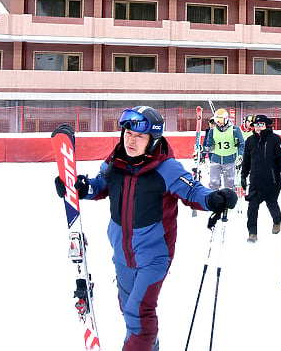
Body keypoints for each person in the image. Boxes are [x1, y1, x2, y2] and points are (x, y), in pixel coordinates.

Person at [53, 106, 236, 351]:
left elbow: (192, 190)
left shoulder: (166, 168)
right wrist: (82, 188)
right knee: (128, 309)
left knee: (139, 312)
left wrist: (214, 199)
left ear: (153, 140)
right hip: (122, 253)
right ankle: (150, 345)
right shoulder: (116, 162)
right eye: (128, 133)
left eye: (139, 136)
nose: (131, 140)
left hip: (154, 255)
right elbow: (101, 185)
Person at [241, 114, 281, 242]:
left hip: (272, 181)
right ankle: (252, 233)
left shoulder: (275, 139)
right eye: (256, 125)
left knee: (272, 204)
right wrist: (243, 176)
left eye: (261, 124)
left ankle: (277, 222)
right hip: (255, 182)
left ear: (266, 125)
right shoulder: (250, 141)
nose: (258, 127)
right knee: (252, 207)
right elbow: (246, 161)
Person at [203, 108, 245, 191]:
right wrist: (202, 149)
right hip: (215, 160)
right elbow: (210, 146)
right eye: (216, 120)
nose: (218, 123)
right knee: (214, 183)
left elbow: (241, 144)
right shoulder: (212, 131)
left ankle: (229, 202)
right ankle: (214, 201)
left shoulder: (235, 130)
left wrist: (240, 155)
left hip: (230, 161)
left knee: (229, 185)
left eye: (220, 120)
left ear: (226, 119)